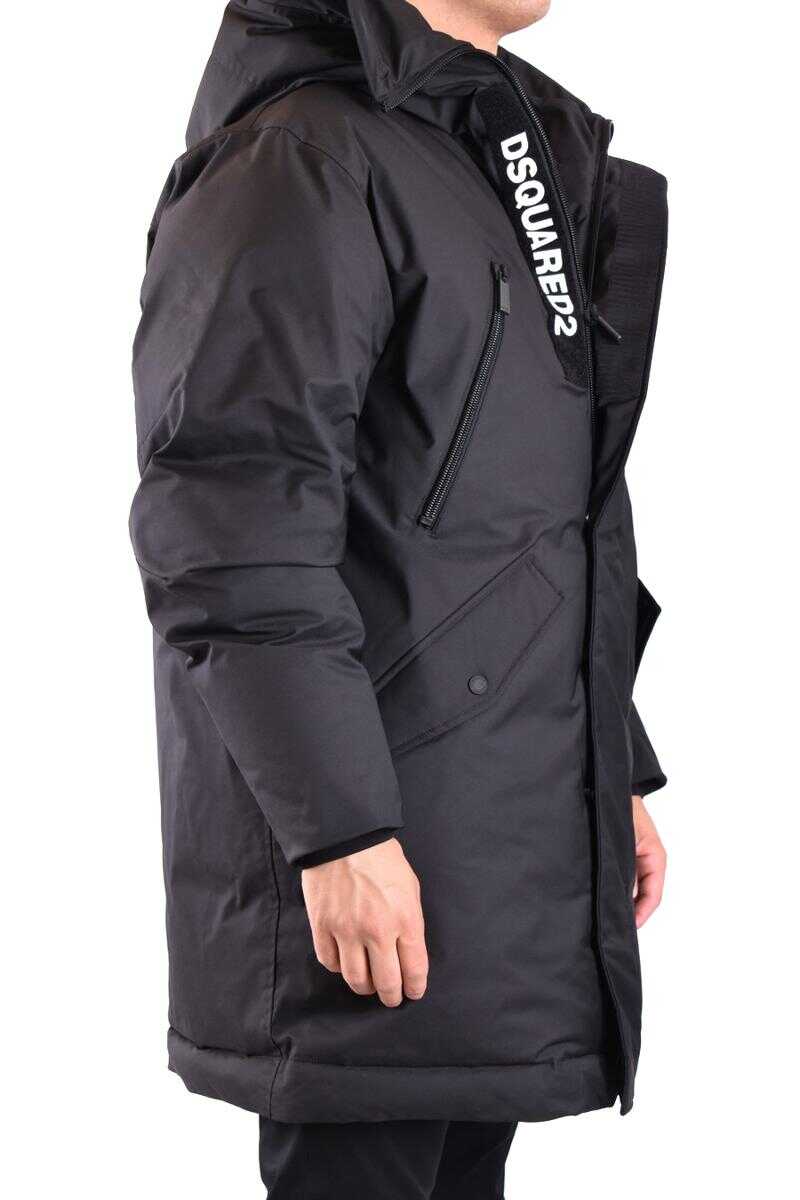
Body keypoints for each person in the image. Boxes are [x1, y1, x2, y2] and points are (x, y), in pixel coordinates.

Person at [130, 1, 669, 1194]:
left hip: (490, 828)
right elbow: (233, 521)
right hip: (374, 845)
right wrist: (339, 831)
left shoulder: (497, 157)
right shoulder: (304, 158)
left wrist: (605, 767)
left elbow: (533, 517)